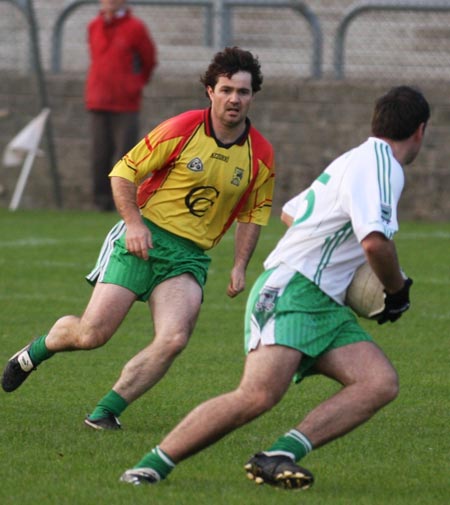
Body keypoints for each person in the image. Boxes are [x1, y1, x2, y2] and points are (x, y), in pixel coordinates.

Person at [118, 85, 430, 489]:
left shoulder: (356, 158)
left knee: (378, 382)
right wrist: (396, 289)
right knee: (256, 396)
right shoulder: (384, 166)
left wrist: (335, 265)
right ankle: (148, 467)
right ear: (420, 131)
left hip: (320, 300)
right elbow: (374, 240)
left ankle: (279, 455)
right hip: (293, 292)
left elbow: (291, 212)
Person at [1, 47, 275, 432]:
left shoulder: (260, 155)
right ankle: (34, 352)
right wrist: (133, 223)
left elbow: (252, 213)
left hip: (189, 257)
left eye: (243, 92)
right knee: (92, 334)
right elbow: (123, 172)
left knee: (174, 338)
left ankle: (105, 412)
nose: (234, 99)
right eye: (226, 89)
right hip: (142, 239)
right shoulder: (181, 129)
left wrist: (240, 265)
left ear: (252, 96)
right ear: (210, 92)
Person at [86, 0, 158, 211]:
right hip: (98, 99)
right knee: (99, 154)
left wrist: (134, 84)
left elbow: (149, 60)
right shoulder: (94, 25)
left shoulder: (135, 27)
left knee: (125, 156)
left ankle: (124, 203)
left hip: (126, 103)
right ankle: (101, 202)